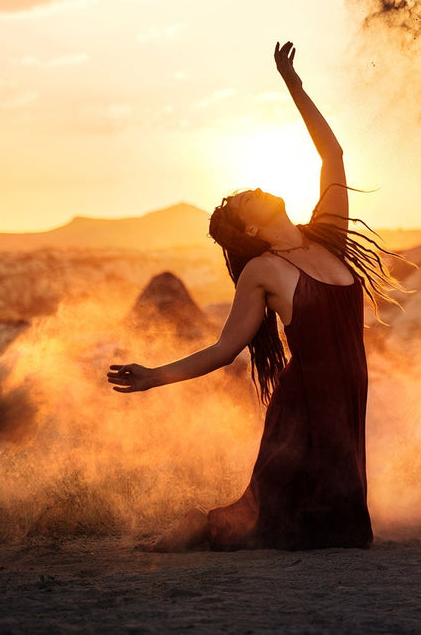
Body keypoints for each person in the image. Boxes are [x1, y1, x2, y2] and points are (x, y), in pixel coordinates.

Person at [107, 41, 400, 552]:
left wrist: (294, 86)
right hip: (304, 408)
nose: (257, 191)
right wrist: (155, 377)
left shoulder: (326, 235)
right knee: (276, 527)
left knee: (346, 533)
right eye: (247, 200)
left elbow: (333, 154)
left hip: (347, 397)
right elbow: (225, 350)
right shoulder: (264, 270)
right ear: (249, 228)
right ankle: (196, 528)